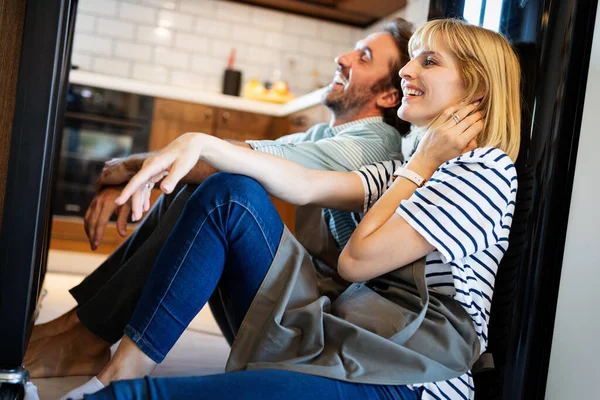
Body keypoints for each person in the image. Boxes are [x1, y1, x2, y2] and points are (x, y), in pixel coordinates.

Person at [61, 18, 521, 400]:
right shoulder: (404, 168)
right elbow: (300, 184)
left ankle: (114, 389)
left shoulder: (483, 171)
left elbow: (357, 261)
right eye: (412, 56)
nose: (408, 70)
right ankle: (118, 372)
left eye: (429, 60)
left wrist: (421, 164)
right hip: (346, 336)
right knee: (229, 194)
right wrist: (196, 142)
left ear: (476, 89)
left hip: (409, 378)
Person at [25, 19, 415, 378]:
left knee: (227, 189)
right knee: (208, 180)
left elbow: (228, 162)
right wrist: (135, 172)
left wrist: (128, 169)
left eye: (363, 58)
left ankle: (87, 339)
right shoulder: (324, 137)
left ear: (387, 95)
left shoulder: (375, 141)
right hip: (300, 300)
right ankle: (78, 326)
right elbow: (232, 153)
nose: (342, 58)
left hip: (321, 325)